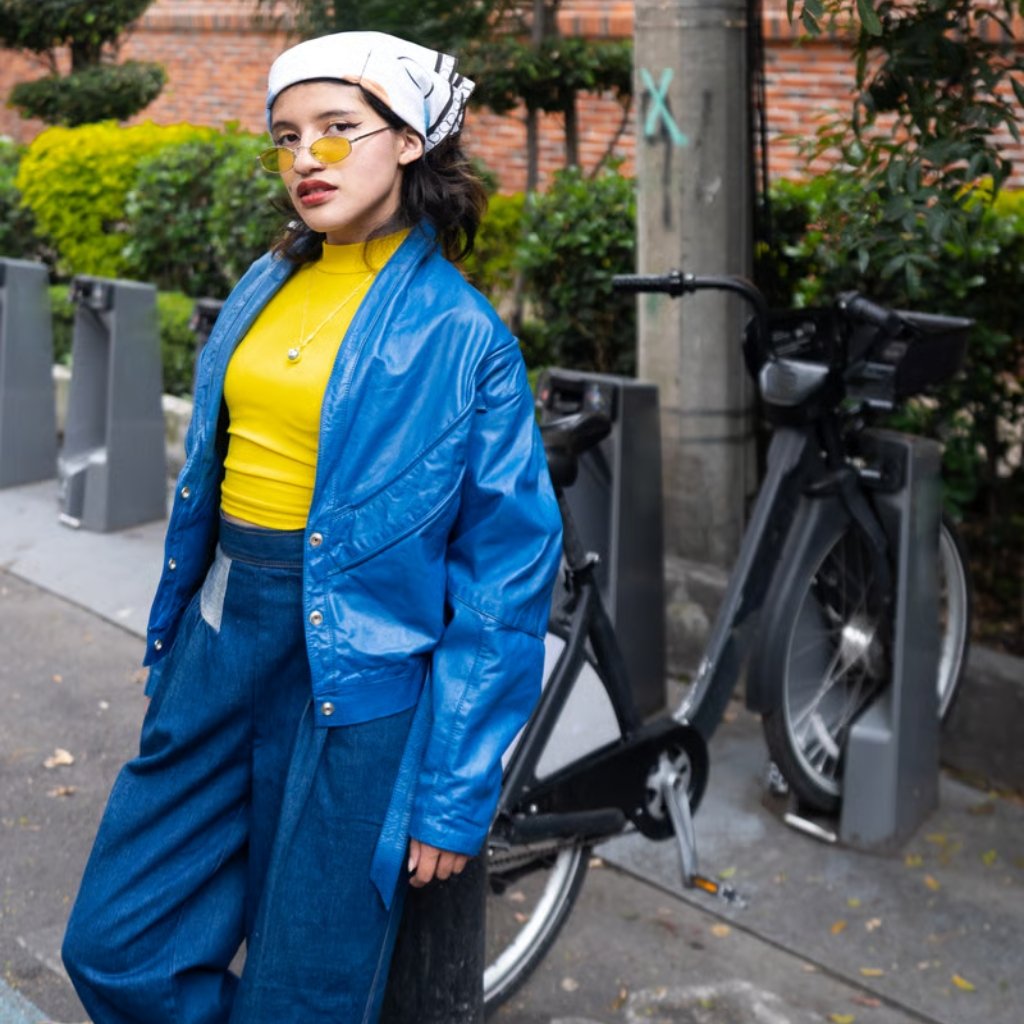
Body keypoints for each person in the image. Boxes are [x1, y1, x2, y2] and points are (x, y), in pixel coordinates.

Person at [61, 31, 562, 1024]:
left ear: (411, 139)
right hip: (223, 637)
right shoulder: (265, 282)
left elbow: (506, 572)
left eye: (339, 129)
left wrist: (455, 792)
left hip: (358, 673)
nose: (307, 159)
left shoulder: (463, 337)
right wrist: (177, 642)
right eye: (288, 137)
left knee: (304, 992)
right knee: (117, 942)